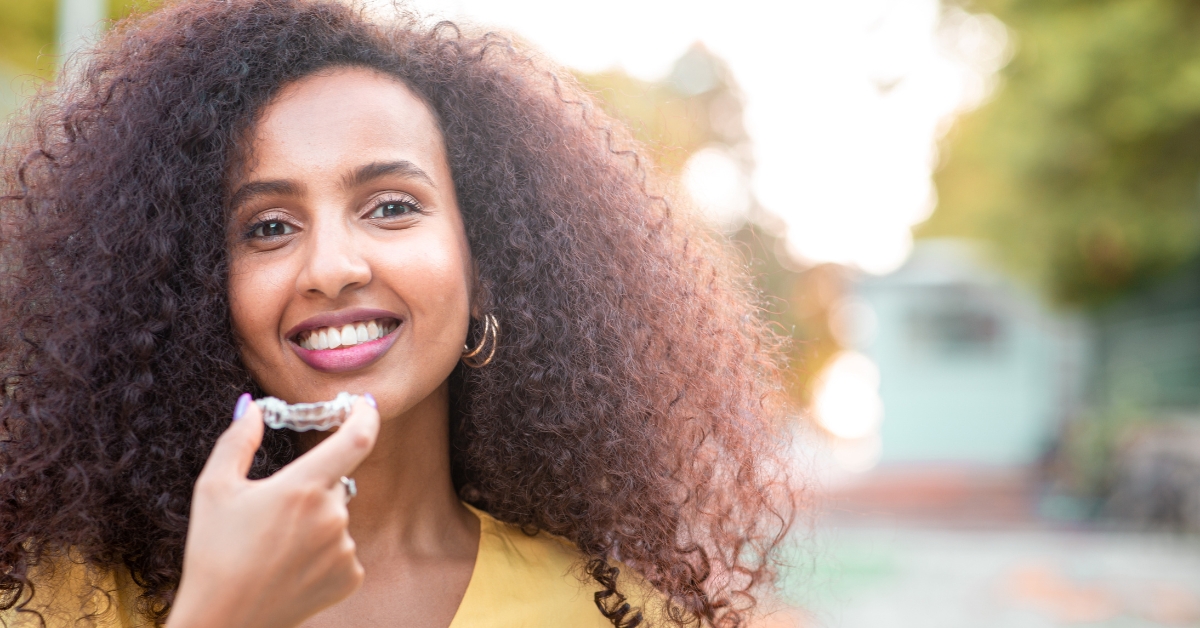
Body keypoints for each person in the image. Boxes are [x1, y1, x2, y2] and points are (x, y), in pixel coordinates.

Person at [0, 1, 795, 626]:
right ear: (195, 288)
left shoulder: (617, 614)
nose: (334, 268)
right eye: (269, 227)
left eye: (390, 206)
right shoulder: (67, 598)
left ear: (486, 265)